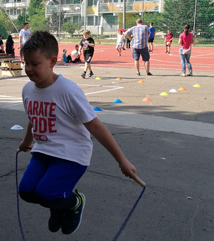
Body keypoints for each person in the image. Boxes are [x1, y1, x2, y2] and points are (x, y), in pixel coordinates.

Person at [18, 31, 138, 235]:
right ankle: (58, 205)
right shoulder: (28, 90)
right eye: (25, 63)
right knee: (27, 192)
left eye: (35, 64)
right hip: (44, 150)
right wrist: (26, 141)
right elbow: (33, 118)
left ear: (52, 61)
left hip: (71, 153)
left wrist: (122, 161)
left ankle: (74, 202)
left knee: (48, 194)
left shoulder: (68, 91)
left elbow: (95, 126)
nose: (28, 69)